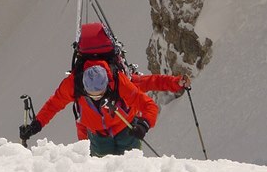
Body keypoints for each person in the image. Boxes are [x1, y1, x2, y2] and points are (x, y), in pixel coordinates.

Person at [20, 61, 159, 157]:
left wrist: (144, 124)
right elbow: (53, 105)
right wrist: (36, 125)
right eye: (91, 94)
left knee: (131, 170)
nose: (96, 97)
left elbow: (149, 105)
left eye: (100, 93)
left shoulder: (118, 82)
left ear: (107, 84)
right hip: (99, 136)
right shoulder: (73, 85)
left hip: (126, 130)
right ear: (84, 87)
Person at [71, 72, 190, 140]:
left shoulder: (122, 84)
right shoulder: (121, 84)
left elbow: (81, 121)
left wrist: (176, 82)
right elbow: (152, 81)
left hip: (114, 136)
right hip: (127, 131)